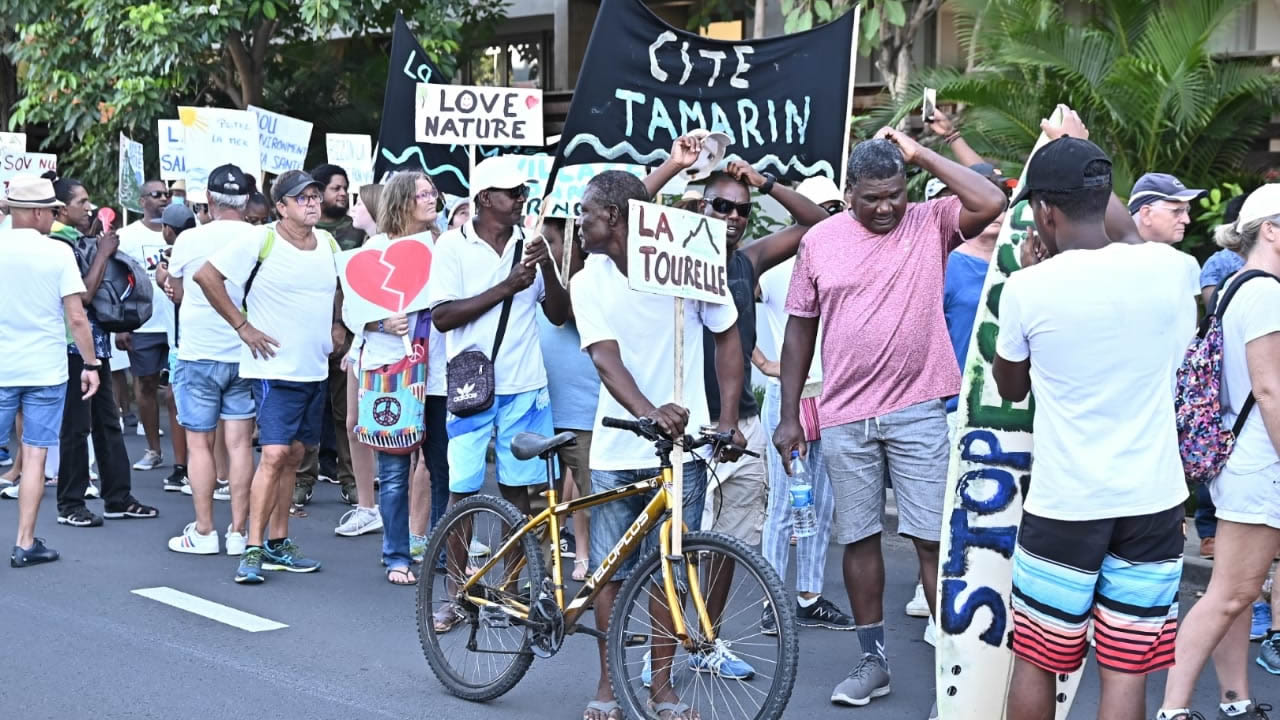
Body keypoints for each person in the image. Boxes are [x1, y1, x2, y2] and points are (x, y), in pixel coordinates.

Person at [773, 125, 1006, 709]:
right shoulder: (820, 240)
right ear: (848, 191)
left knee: (931, 540)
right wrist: (789, 416)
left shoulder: (930, 222)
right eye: (872, 197)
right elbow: (799, 329)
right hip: (846, 415)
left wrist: (922, 151)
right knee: (859, 538)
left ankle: (954, 678)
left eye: (895, 193)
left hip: (919, 409)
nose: (885, 207)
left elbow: (992, 200)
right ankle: (873, 660)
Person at [989, 118, 1195, 720]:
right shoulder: (1172, 271)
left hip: (1066, 504)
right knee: (1127, 666)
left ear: (1046, 213)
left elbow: (1010, 386)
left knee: (1039, 659)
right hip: (1153, 501)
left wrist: (1033, 276)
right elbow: (1131, 235)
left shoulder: (1029, 290)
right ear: (1103, 197)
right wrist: (1083, 158)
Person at [644, 134, 839, 664]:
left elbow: (821, 224)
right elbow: (618, 219)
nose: (733, 216)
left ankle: (707, 641)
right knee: (676, 546)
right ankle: (655, 656)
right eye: (721, 206)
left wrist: (766, 182)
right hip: (685, 426)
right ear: (699, 207)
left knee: (728, 547)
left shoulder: (747, 261)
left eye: (742, 210)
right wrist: (673, 174)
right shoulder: (664, 258)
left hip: (741, 427)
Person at [572, 170, 745, 720]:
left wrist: (725, 418)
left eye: (587, 213)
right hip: (616, 448)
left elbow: (727, 337)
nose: (580, 222)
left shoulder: (687, 262)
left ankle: (661, 687)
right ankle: (607, 685)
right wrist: (648, 412)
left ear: (616, 218)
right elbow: (604, 356)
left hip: (680, 453)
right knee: (610, 574)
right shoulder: (588, 279)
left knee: (668, 567)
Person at [1155, 183, 1280, 720]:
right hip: (1261, 462)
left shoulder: (1236, 285)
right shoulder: (1268, 293)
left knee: (1236, 592)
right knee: (1230, 594)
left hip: (1238, 456)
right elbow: (1271, 389)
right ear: (1272, 230)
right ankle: (1173, 708)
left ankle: (1235, 698)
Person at [195, 169, 341, 584]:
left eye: (315, 196)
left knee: (295, 455)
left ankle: (278, 543)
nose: (312, 203)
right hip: (272, 369)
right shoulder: (259, 240)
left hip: (313, 369)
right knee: (275, 454)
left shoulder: (328, 243)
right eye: (303, 198)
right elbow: (207, 277)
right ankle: (251, 547)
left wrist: (337, 325)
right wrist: (243, 327)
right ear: (281, 207)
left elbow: (339, 288)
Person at [427, 154, 569, 530]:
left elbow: (558, 314)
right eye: (513, 192)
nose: (522, 198)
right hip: (470, 386)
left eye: (523, 192)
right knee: (463, 493)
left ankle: (514, 588)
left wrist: (547, 269)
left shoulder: (530, 244)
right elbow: (442, 317)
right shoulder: (451, 246)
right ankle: (457, 585)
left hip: (525, 385)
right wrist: (506, 287)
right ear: (486, 198)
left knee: (519, 493)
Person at [754, 173, 855, 634]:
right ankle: (774, 599)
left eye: (838, 208)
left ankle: (809, 596)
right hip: (789, 397)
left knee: (821, 504)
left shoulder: (846, 263)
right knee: (784, 504)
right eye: (825, 208)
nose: (833, 217)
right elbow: (730, 314)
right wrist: (765, 364)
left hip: (832, 395)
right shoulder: (773, 267)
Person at [341, 171, 448, 580]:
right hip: (390, 373)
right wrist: (381, 322)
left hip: (437, 373)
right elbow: (352, 312)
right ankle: (396, 555)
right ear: (403, 201)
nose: (430, 198)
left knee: (441, 466)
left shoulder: (446, 246)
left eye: (431, 191)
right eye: (421, 193)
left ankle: (439, 549)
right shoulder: (375, 249)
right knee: (394, 468)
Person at [0, 175, 100, 567]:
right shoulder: (58, 253)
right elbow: (76, 318)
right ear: (39, 212)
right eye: (53, 212)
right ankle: (25, 542)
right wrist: (91, 363)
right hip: (45, 369)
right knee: (36, 455)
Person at [47, 173, 155, 527]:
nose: (88, 207)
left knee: (107, 423)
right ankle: (71, 503)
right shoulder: (58, 244)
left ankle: (117, 496)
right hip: (74, 347)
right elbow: (83, 296)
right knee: (77, 427)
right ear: (61, 209)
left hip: (96, 346)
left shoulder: (79, 239)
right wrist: (103, 253)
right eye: (81, 202)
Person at [163, 165, 257, 556]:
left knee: (199, 443)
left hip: (198, 351)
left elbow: (179, 291)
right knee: (239, 446)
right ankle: (238, 532)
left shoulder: (189, 239)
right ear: (247, 201)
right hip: (246, 350)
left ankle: (204, 530)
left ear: (209, 199)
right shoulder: (261, 238)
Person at [293, 163, 364, 508]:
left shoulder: (354, 235)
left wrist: (339, 324)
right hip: (303, 337)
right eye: (336, 188)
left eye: (345, 188)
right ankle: (303, 480)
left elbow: (349, 283)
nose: (343, 194)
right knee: (307, 411)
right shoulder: (295, 235)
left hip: (344, 336)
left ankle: (351, 480)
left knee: (345, 413)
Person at [535, 217, 600, 582]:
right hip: (539, 411)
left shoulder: (590, 282)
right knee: (537, 508)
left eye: (552, 243)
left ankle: (601, 582)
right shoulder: (530, 280)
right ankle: (533, 585)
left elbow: (566, 312)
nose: (544, 249)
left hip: (585, 416)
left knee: (593, 504)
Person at [116, 178, 175, 472]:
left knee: (178, 390)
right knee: (146, 383)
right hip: (144, 323)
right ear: (142, 201)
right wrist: (122, 324)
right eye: (157, 194)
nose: (164, 199)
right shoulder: (127, 236)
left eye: (167, 194)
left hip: (178, 323)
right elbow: (116, 282)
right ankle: (153, 449)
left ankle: (186, 460)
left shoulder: (185, 232)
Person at [155, 204, 194, 492]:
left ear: (169, 230)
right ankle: (186, 467)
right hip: (181, 341)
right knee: (175, 400)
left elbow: (177, 293)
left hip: (188, 343)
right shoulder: (197, 246)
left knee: (179, 402)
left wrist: (163, 278)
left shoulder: (183, 252)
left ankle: (187, 468)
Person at [1128, 172, 1206, 246]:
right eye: (1177, 211)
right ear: (1146, 214)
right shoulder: (1120, 257)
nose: (1187, 220)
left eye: (1187, 210)